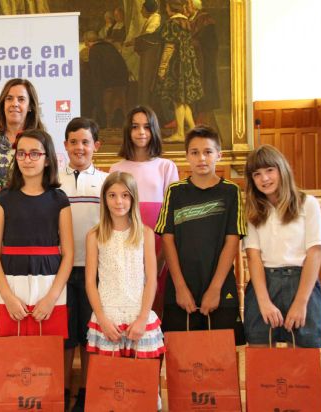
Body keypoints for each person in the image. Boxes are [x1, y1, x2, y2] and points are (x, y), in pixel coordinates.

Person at [155, 125, 246, 345]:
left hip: (220, 287)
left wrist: (215, 289)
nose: (201, 158)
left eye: (208, 152)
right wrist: (180, 288)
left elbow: (232, 241)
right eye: (195, 152)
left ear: (219, 155)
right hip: (181, 289)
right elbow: (167, 240)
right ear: (187, 156)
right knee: (182, 355)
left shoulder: (230, 191)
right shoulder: (175, 192)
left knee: (221, 356)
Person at [85, 172, 165, 410]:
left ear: (133, 199)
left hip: (138, 317)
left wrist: (142, 318)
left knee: (141, 388)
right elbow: (90, 282)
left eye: (124, 195)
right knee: (110, 388)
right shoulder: (94, 235)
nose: (118, 201)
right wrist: (102, 318)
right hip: (107, 317)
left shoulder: (145, 233)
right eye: (112, 195)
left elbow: (151, 280)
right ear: (104, 199)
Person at [0, 129, 73, 337]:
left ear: (47, 159)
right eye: (21, 153)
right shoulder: (3, 199)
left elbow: (69, 254)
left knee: (48, 348)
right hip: (11, 282)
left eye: (34, 153)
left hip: (50, 283)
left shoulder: (59, 199)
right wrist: (7, 297)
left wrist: (52, 297)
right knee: (13, 348)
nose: (27, 159)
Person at [243, 145, 321, 348]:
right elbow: (253, 257)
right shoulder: (252, 211)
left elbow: (315, 254)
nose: (264, 178)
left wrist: (300, 302)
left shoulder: (307, 203)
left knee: (302, 355)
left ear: (282, 170)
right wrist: (264, 302)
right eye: (257, 174)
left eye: (270, 170)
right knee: (260, 351)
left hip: (301, 282)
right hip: (264, 284)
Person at [59, 117, 108, 412]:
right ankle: (62, 392)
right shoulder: (53, 181)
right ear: (65, 145)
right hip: (61, 271)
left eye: (85, 142)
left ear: (96, 146)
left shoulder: (105, 182)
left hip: (95, 272)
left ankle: (87, 395)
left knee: (91, 335)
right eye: (74, 142)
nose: (79, 147)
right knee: (64, 337)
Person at [110, 106, 179, 315]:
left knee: (158, 298)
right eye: (135, 127)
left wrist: (162, 254)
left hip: (159, 242)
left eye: (147, 127)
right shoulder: (117, 169)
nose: (141, 132)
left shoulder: (166, 166)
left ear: (154, 130)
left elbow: (173, 215)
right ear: (128, 131)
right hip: (127, 244)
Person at [0, 78, 45, 187]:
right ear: (3, 104)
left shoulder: (41, 140)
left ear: (30, 106)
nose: (14, 103)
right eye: (9, 98)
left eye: (21, 99)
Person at [156, 0, 203, 142]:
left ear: (170, 8)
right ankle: (193, 130)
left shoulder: (171, 23)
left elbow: (169, 48)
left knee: (178, 100)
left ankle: (180, 133)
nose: (166, 10)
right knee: (183, 100)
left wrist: (162, 67)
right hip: (187, 64)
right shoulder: (186, 22)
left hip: (176, 65)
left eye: (167, 7)